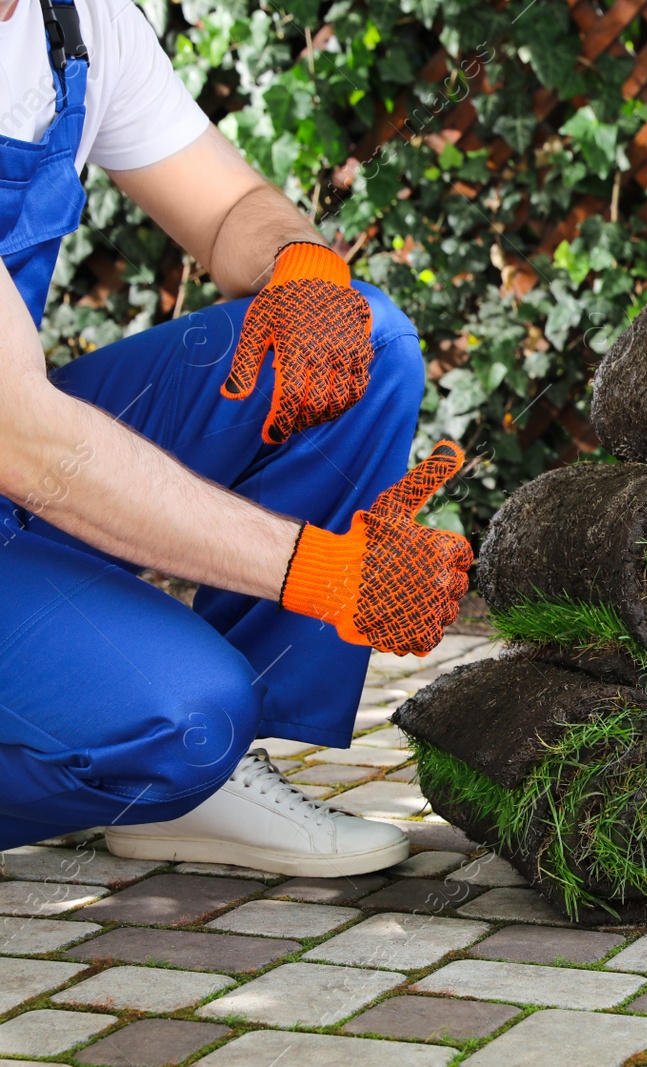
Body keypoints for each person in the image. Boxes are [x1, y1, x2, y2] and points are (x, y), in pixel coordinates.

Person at [0, 0, 473, 876]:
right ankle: (170, 762)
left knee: (360, 341)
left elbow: (232, 210)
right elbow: (28, 440)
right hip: (18, 437)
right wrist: (329, 572)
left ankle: (211, 789)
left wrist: (302, 266)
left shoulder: (72, 25)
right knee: (184, 720)